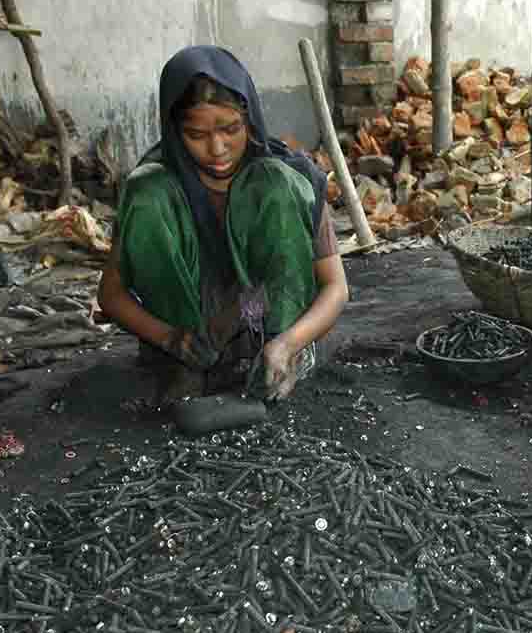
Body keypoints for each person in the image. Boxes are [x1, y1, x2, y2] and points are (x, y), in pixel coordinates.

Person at [97, 46, 348, 405]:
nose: (217, 148)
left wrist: (289, 342)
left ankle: (279, 358)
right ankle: (186, 366)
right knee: (146, 188)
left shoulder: (289, 179)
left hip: (263, 316)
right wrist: (172, 339)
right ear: (174, 131)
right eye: (196, 136)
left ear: (250, 118)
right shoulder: (155, 192)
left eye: (230, 129)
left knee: (274, 182)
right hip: (189, 330)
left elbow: (336, 287)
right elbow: (110, 296)